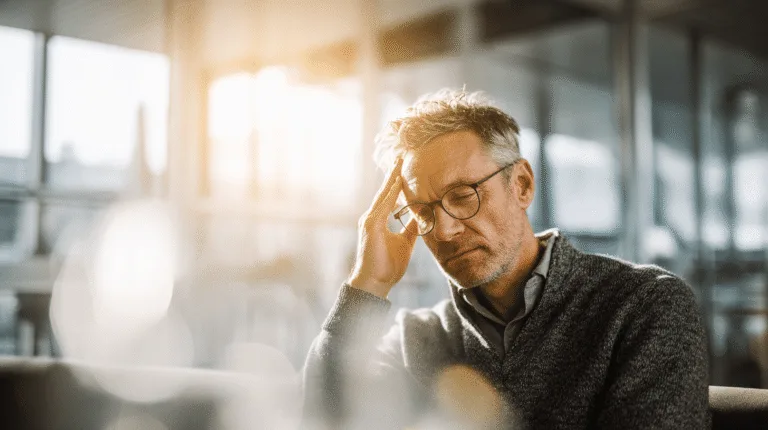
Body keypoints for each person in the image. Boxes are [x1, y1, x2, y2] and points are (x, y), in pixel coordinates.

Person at [302, 89, 709, 429]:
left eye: (462, 196)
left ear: (522, 186)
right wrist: (369, 284)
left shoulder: (643, 306)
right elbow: (325, 419)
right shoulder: (419, 339)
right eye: (423, 212)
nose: (443, 231)